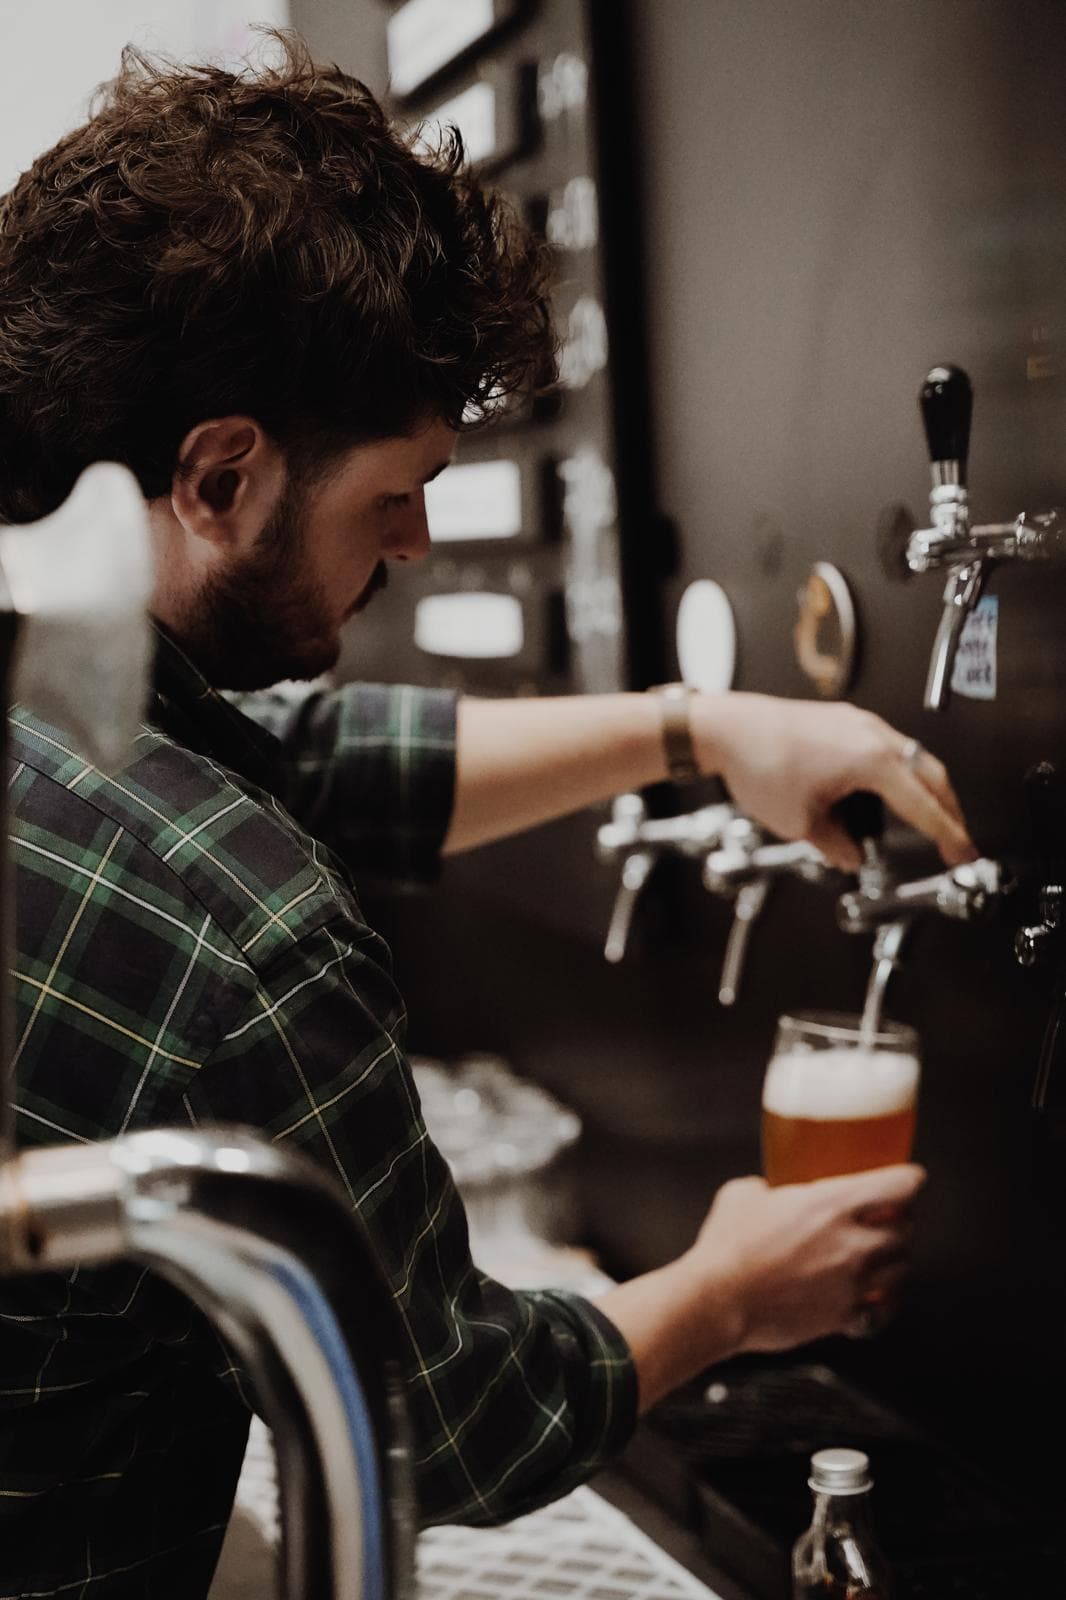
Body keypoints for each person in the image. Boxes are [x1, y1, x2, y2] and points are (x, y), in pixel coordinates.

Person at [0, 36, 972, 1600]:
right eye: (392, 487)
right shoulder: (249, 935)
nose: (419, 535)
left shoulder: (58, 695)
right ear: (218, 475)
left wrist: (696, 727)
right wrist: (729, 1291)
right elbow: (440, 1423)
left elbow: (289, 757)